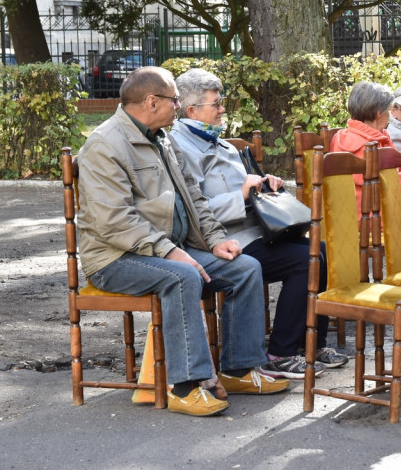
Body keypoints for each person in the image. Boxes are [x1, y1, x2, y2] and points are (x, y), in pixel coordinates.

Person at [75, 67, 289, 417]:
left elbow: (193, 198)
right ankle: (187, 385)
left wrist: (217, 240)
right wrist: (172, 252)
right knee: (182, 276)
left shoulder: (161, 138)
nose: (179, 105)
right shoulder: (104, 144)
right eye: (174, 99)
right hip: (115, 258)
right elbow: (113, 221)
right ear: (151, 102)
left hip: (165, 249)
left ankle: (237, 369)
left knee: (246, 267)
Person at [168, 68, 348, 380]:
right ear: (192, 110)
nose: (223, 108)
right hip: (221, 242)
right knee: (303, 261)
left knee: (319, 250)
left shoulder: (223, 145)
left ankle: (311, 344)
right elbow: (189, 211)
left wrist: (264, 185)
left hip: (254, 232)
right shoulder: (179, 149)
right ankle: (281, 352)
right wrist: (240, 194)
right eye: (216, 103)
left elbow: (247, 192)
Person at [329, 81, 396, 207]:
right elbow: (393, 186)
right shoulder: (372, 145)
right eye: (388, 110)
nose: (389, 115)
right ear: (379, 113)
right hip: (373, 217)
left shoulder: (339, 137)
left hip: (343, 212)